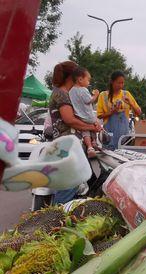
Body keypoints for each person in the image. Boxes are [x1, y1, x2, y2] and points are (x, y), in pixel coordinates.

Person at [48, 61, 101, 204]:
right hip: (67, 144)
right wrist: (91, 127)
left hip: (67, 144)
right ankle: (57, 217)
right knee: (69, 185)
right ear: (72, 76)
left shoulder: (64, 93)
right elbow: (69, 119)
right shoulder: (61, 94)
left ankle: (59, 215)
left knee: (71, 183)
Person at [96, 71, 141, 150]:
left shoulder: (126, 94)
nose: (121, 85)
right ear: (112, 82)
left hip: (124, 136)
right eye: (118, 83)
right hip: (109, 135)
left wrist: (130, 103)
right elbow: (99, 115)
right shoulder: (103, 95)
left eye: (122, 83)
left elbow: (138, 112)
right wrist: (113, 111)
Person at [69, 67, 100, 157]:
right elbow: (89, 100)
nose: (89, 82)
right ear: (80, 79)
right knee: (94, 126)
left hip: (79, 116)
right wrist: (95, 95)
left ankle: (89, 146)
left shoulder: (71, 91)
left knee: (85, 130)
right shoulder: (83, 90)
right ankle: (94, 142)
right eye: (88, 80)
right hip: (88, 115)